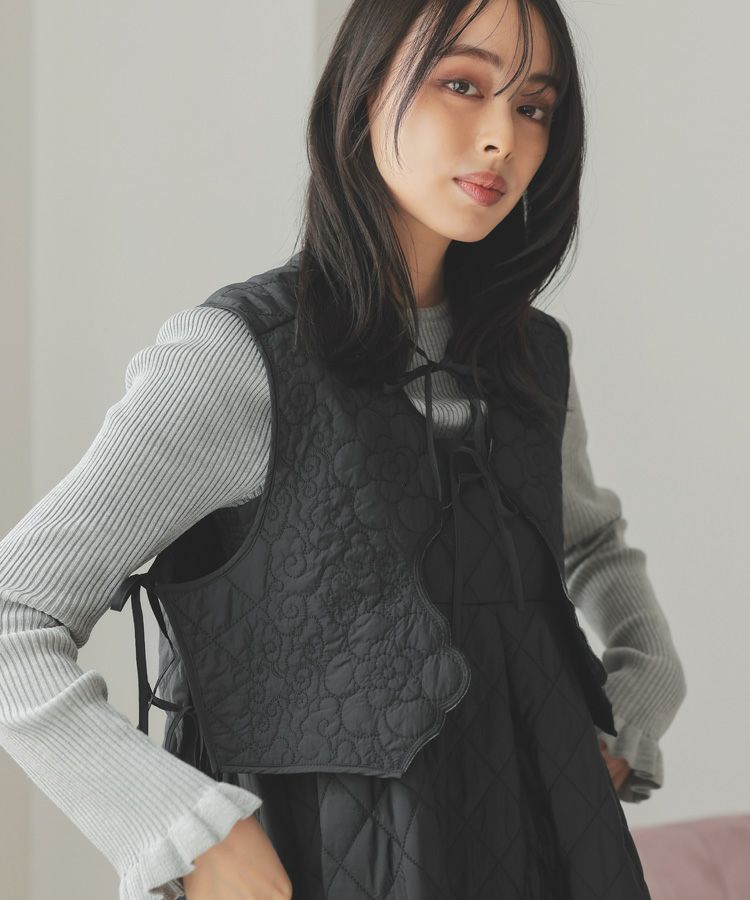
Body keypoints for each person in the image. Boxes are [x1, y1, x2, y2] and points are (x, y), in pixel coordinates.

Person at [0, 0, 687, 898]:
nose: (501, 139)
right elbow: (15, 619)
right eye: (461, 85)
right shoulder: (238, 359)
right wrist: (184, 831)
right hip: (315, 860)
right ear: (365, 91)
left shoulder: (526, 356)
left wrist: (638, 697)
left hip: (550, 851)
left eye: (533, 107)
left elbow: (588, 541)